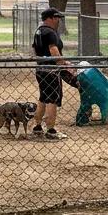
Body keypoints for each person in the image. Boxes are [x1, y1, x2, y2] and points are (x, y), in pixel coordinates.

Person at [31, 8, 72, 139]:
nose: (58, 20)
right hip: (51, 71)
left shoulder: (39, 31)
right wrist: (64, 64)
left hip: (41, 69)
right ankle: (51, 130)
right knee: (52, 100)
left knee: (43, 98)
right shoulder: (50, 33)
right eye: (56, 18)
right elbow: (54, 50)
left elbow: (34, 49)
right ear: (49, 18)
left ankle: (37, 127)